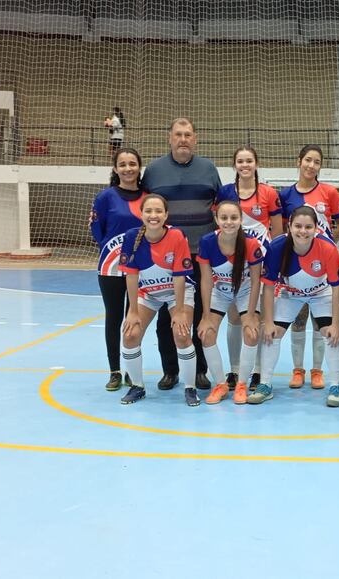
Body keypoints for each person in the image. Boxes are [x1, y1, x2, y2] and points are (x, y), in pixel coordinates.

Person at [141, 117, 222, 392]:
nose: (183, 139)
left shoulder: (209, 169)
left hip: (201, 256)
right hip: (164, 259)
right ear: (170, 138)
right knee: (166, 316)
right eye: (178, 134)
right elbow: (145, 210)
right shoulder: (153, 171)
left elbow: (219, 207)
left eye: (188, 134)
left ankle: (199, 370)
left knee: (200, 312)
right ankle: (170, 371)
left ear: (195, 139)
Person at [253, 205, 339, 406]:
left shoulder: (328, 248)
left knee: (331, 334)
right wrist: (267, 322)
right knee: (271, 333)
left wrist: (336, 324)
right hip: (290, 294)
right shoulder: (276, 248)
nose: (303, 231)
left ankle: (336, 386)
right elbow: (267, 288)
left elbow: (337, 289)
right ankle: (265, 385)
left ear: (316, 228)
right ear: (290, 227)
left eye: (308, 227)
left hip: (321, 294)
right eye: (298, 226)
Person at [118, 194, 201, 406]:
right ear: (141, 213)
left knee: (181, 334)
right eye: (149, 211)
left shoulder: (176, 236)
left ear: (166, 215)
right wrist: (133, 311)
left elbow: (180, 276)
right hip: (149, 293)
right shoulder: (131, 237)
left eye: (158, 211)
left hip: (176, 293)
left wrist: (181, 310)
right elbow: (132, 276)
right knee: (130, 335)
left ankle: (190, 388)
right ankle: (137, 386)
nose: (153, 216)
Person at [278, 145, 339, 390]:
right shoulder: (285, 195)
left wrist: (327, 244)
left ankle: (317, 370)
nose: (311, 165)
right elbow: (282, 228)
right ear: (299, 161)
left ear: (320, 166)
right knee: (298, 318)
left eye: (316, 162)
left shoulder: (330, 192)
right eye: (308, 160)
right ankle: (298, 370)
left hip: (322, 265)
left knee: (321, 321)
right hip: (295, 265)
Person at [215, 146, 283, 390]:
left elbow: (278, 233)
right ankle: (234, 370)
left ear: (256, 164)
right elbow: (221, 226)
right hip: (235, 265)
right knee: (235, 316)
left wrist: (274, 264)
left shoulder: (268, 193)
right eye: (240, 161)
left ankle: (256, 370)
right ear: (234, 165)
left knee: (261, 317)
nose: (245, 165)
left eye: (249, 161)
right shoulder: (225, 192)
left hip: (261, 264)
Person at [89, 148, 147, 392]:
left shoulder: (148, 197)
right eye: (122, 164)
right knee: (114, 318)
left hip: (141, 268)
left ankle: (131, 370)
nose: (128, 168)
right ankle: (114, 371)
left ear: (139, 167)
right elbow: (96, 228)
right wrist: (110, 249)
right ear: (115, 169)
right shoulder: (106, 197)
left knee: (134, 318)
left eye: (132, 163)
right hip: (110, 267)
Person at [197, 200, 264, 405]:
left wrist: (251, 315)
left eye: (234, 218)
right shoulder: (207, 242)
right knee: (206, 333)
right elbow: (207, 281)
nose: (229, 222)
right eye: (224, 218)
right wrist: (206, 316)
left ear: (241, 220)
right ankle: (220, 384)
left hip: (246, 292)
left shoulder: (251, 244)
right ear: (216, 219)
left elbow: (255, 281)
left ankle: (242, 383)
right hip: (221, 292)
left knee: (251, 333)